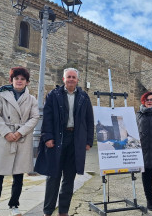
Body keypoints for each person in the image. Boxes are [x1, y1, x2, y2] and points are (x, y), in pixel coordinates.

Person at [34, 67, 94, 216]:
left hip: (76, 140)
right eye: (69, 77)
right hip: (58, 138)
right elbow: (47, 117)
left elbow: (89, 119)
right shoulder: (53, 95)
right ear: (63, 79)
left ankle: (63, 212)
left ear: (77, 80)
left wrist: (88, 141)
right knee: (53, 176)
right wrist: (47, 137)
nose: (71, 79)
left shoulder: (84, 97)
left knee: (69, 178)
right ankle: (48, 211)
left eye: (74, 77)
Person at [0, 67, 39, 216]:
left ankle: (14, 205)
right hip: (3, 138)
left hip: (21, 139)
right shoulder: (2, 96)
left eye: (22, 79)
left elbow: (34, 117)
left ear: (27, 82)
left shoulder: (31, 99)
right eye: (16, 78)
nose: (19, 81)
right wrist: (6, 132)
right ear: (11, 80)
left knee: (18, 177)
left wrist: (20, 132)